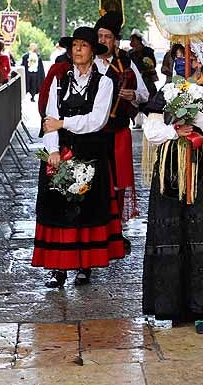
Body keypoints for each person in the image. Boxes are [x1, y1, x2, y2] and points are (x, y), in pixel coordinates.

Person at [141, 41, 203, 334]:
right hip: (171, 171)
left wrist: (197, 115)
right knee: (173, 232)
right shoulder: (168, 91)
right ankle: (172, 304)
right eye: (179, 58)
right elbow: (151, 130)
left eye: (192, 58)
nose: (185, 63)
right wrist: (174, 130)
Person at [33, 26, 124, 287]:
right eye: (74, 46)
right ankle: (58, 269)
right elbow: (49, 119)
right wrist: (52, 150)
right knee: (58, 211)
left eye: (83, 46)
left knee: (86, 211)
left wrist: (63, 124)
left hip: (90, 154)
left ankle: (85, 266)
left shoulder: (105, 82)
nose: (77, 50)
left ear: (93, 50)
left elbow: (96, 121)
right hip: (60, 154)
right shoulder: (60, 81)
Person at [95, 12, 149, 242]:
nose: (103, 41)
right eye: (100, 36)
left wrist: (132, 94)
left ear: (115, 40)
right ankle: (99, 228)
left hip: (117, 132)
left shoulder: (125, 63)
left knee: (118, 182)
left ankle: (116, 230)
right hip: (94, 133)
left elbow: (145, 94)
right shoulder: (89, 62)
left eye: (107, 37)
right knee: (96, 180)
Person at [128, 30, 158, 101]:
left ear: (139, 41)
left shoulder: (148, 51)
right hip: (134, 80)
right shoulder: (130, 53)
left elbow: (153, 64)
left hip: (147, 79)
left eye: (134, 40)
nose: (132, 42)